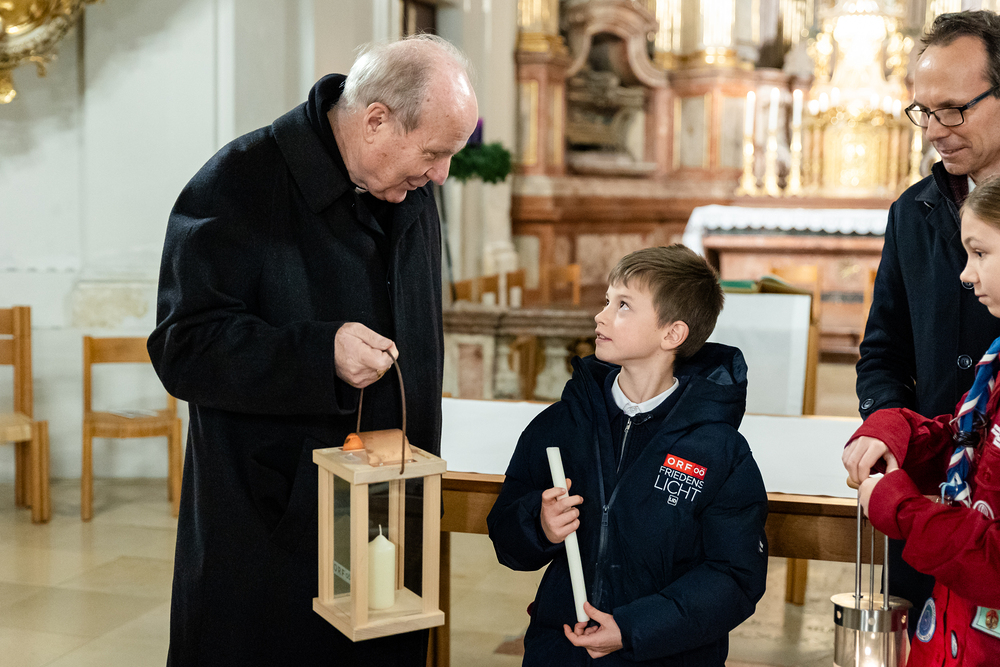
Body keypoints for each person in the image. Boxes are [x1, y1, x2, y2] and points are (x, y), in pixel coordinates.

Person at [147, 35, 478, 666]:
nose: (441, 174)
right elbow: (183, 346)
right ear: (376, 120)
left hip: (388, 509)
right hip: (275, 525)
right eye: (435, 153)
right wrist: (319, 353)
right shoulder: (239, 182)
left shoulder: (409, 188)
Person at [487, 245, 768, 666]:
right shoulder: (561, 425)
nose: (600, 317)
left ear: (672, 334)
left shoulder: (719, 450)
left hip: (666, 656)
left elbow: (734, 577)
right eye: (607, 300)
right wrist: (539, 525)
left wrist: (634, 628)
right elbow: (505, 536)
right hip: (561, 651)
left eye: (622, 305)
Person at [855, 9, 1000, 629]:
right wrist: (887, 427)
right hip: (922, 494)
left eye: (954, 109)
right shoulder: (911, 212)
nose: (935, 130)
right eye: (923, 111)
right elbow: (882, 351)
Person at [843, 177, 1000, 667]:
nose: (965, 274)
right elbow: (967, 433)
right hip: (955, 629)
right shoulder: (997, 360)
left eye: (980, 253)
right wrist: (895, 430)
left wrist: (904, 509)